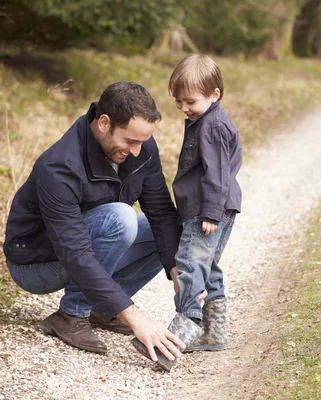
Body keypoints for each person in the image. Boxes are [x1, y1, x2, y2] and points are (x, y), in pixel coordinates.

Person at [3, 82, 186, 364]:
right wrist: (135, 316)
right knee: (121, 219)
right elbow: (74, 252)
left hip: (83, 241)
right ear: (103, 123)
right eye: (130, 141)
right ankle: (71, 315)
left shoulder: (141, 147)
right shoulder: (60, 166)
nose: (138, 150)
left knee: (162, 232)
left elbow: (160, 211)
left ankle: (102, 310)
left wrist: (177, 270)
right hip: (36, 262)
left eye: (143, 141)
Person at [133, 54, 242, 371]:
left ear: (214, 94)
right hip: (209, 207)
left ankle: (179, 336)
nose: (183, 107)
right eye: (178, 101)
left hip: (207, 210)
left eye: (189, 101)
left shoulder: (213, 127)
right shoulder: (204, 120)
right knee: (208, 267)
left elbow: (217, 174)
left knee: (190, 267)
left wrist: (210, 212)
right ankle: (215, 333)